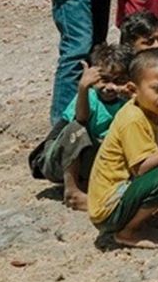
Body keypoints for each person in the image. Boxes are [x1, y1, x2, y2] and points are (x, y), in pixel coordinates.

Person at [86, 48, 158, 247]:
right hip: (108, 210)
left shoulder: (154, 107)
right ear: (134, 89)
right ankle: (128, 232)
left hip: (125, 193)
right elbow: (141, 168)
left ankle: (141, 218)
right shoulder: (133, 119)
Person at [34, 44, 130, 211]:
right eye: (104, 79)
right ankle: (72, 190)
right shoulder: (90, 96)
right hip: (59, 160)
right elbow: (81, 119)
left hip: (93, 159)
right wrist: (83, 87)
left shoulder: (125, 102)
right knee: (78, 129)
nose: (110, 87)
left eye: (118, 81)